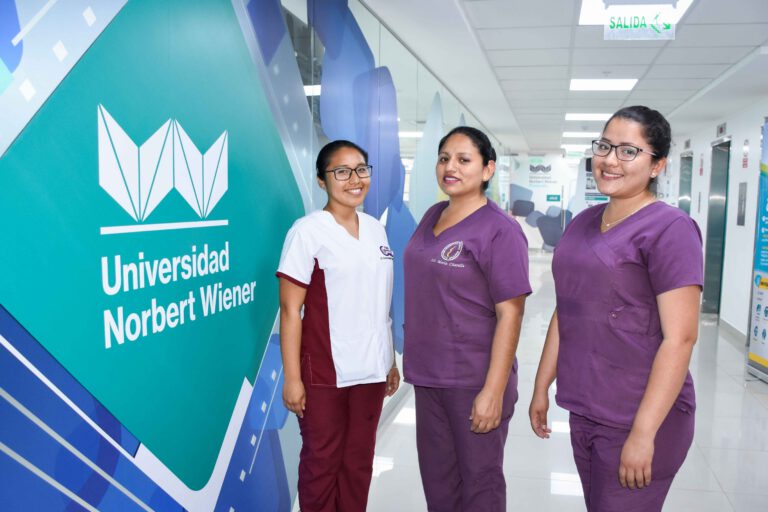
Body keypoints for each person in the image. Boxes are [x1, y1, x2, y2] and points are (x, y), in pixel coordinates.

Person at [529, 106, 703, 512]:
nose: (609, 159)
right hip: (587, 407)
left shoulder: (670, 229)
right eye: (605, 146)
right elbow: (566, 309)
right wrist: (542, 384)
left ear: (657, 164)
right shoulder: (582, 223)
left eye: (629, 151)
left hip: (641, 412)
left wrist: (644, 432)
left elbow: (681, 338)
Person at [403, 126, 530, 511]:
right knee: (439, 486)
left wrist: (492, 391)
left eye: (463, 159)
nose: (450, 167)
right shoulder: (432, 215)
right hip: (429, 377)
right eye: (444, 158)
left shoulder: (500, 230)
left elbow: (511, 313)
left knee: (480, 486)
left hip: (474, 379)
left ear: (488, 169)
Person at [276, 140, 400, 512]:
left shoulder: (377, 230)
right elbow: (289, 310)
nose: (354, 179)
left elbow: (381, 301)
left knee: (359, 462)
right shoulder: (308, 232)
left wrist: (389, 357)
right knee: (321, 463)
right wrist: (293, 378)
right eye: (341, 171)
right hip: (325, 371)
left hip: (372, 370)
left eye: (361, 169)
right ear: (321, 180)